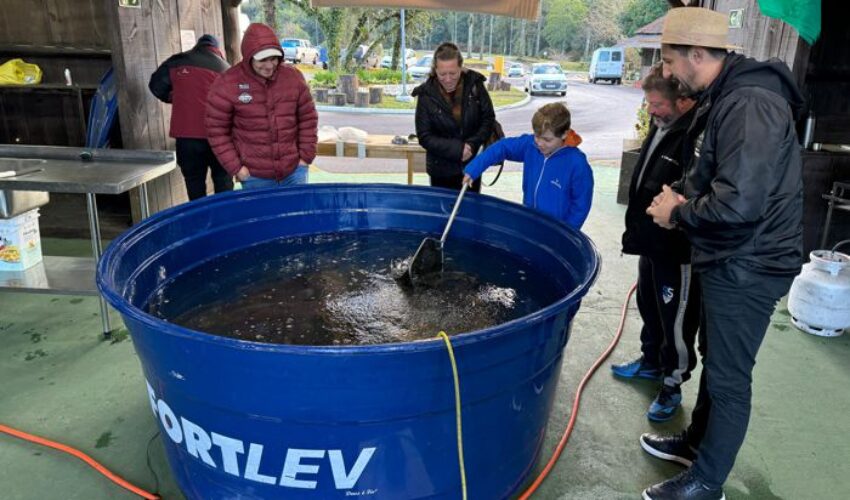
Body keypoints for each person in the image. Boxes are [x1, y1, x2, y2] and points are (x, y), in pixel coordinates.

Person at [642, 7, 804, 500]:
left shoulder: (750, 103)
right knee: (718, 362)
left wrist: (678, 211)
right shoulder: (727, 94)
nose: (666, 73)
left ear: (696, 54)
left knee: (730, 377)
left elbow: (739, 202)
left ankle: (706, 483)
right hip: (731, 256)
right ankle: (697, 444)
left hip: (750, 263)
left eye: (670, 61)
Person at [611, 63, 700, 422]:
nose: (651, 110)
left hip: (676, 248)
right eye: (649, 103)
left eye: (657, 104)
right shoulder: (661, 125)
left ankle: (672, 384)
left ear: (683, 102)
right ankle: (650, 361)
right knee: (649, 304)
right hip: (650, 242)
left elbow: (694, 194)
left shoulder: (694, 138)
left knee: (676, 320)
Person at [206, 23, 318, 190]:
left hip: (294, 172)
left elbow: (308, 119)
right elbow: (216, 130)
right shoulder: (227, 83)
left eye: (273, 59)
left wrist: (305, 158)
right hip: (254, 176)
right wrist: (237, 168)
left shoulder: (293, 78)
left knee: (296, 216)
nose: (269, 66)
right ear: (249, 56)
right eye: (262, 60)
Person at [462, 102, 593, 230]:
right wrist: (474, 169)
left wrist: (567, 234)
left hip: (556, 231)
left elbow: (580, 206)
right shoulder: (530, 145)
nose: (540, 143)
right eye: (537, 136)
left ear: (564, 134)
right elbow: (502, 147)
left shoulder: (577, 164)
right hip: (529, 221)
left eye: (547, 139)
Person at [148, 34, 232, 200]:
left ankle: (199, 223)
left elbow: (156, 85)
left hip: (187, 139)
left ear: (197, 46)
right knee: (223, 182)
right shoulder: (227, 70)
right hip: (220, 139)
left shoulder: (177, 62)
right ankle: (225, 221)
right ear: (217, 50)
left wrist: (174, 97)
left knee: (194, 184)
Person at [412, 42, 495, 193]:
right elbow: (424, 136)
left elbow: (488, 119)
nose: (448, 79)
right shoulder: (425, 94)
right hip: (440, 171)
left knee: (469, 213)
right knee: (443, 214)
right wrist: (458, 150)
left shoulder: (475, 85)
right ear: (435, 70)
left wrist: (471, 145)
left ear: (461, 68)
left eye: (453, 73)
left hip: (471, 168)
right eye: (442, 74)